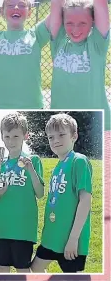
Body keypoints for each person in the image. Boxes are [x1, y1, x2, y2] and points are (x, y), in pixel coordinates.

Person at [48, 0, 110, 131]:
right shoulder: (58, 41)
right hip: (63, 125)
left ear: (93, 22)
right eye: (70, 23)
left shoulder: (96, 45)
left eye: (82, 23)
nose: (75, 29)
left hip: (96, 124)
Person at [31, 113, 92, 273]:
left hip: (69, 240)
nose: (55, 140)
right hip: (52, 238)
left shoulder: (79, 161)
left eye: (61, 135)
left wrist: (73, 239)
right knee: (35, 269)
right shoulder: (58, 166)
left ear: (74, 136)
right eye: (51, 137)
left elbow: (85, 201)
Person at [0, 113, 44, 272]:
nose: (11, 141)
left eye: (16, 136)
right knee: (2, 271)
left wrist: (31, 170)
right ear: (2, 137)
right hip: (1, 228)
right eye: (7, 136)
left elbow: (40, 194)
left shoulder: (33, 161)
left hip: (23, 229)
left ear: (25, 136)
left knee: (22, 271)